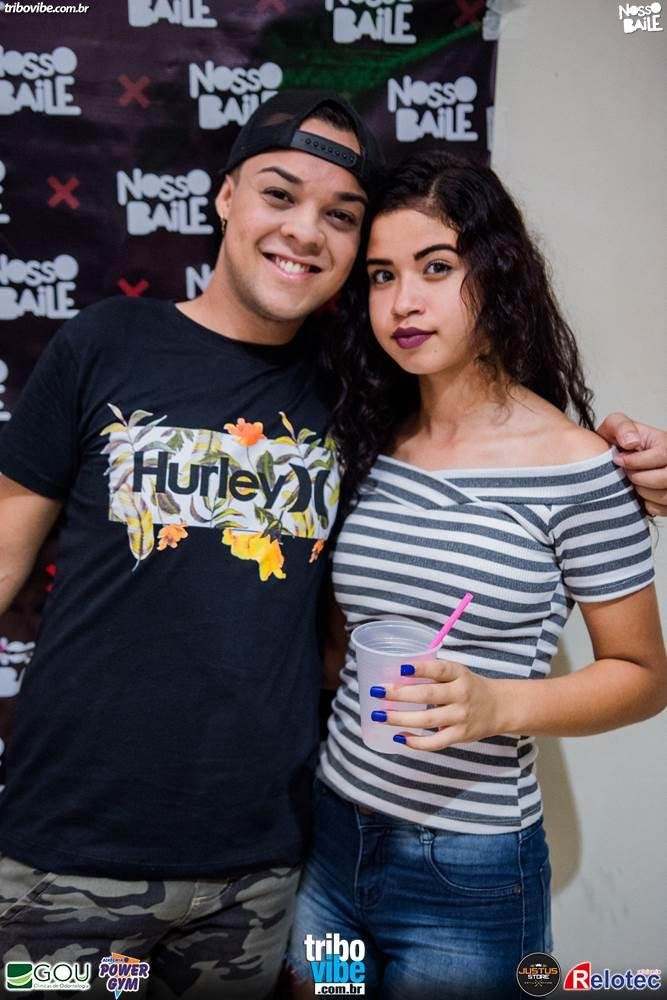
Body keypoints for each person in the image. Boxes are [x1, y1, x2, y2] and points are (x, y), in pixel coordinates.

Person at [0, 92, 664, 998]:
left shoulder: (351, 395)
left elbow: (506, 456)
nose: (305, 232)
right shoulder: (111, 344)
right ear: (225, 196)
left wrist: (635, 464)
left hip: (265, 863)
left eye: (342, 217)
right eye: (279, 194)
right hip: (74, 845)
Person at [286, 151, 667, 999]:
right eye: (381, 275)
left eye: (435, 268)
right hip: (332, 837)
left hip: (466, 872)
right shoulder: (372, 438)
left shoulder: (577, 468)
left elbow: (643, 677)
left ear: (496, 275)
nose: (402, 302)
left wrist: (497, 705)